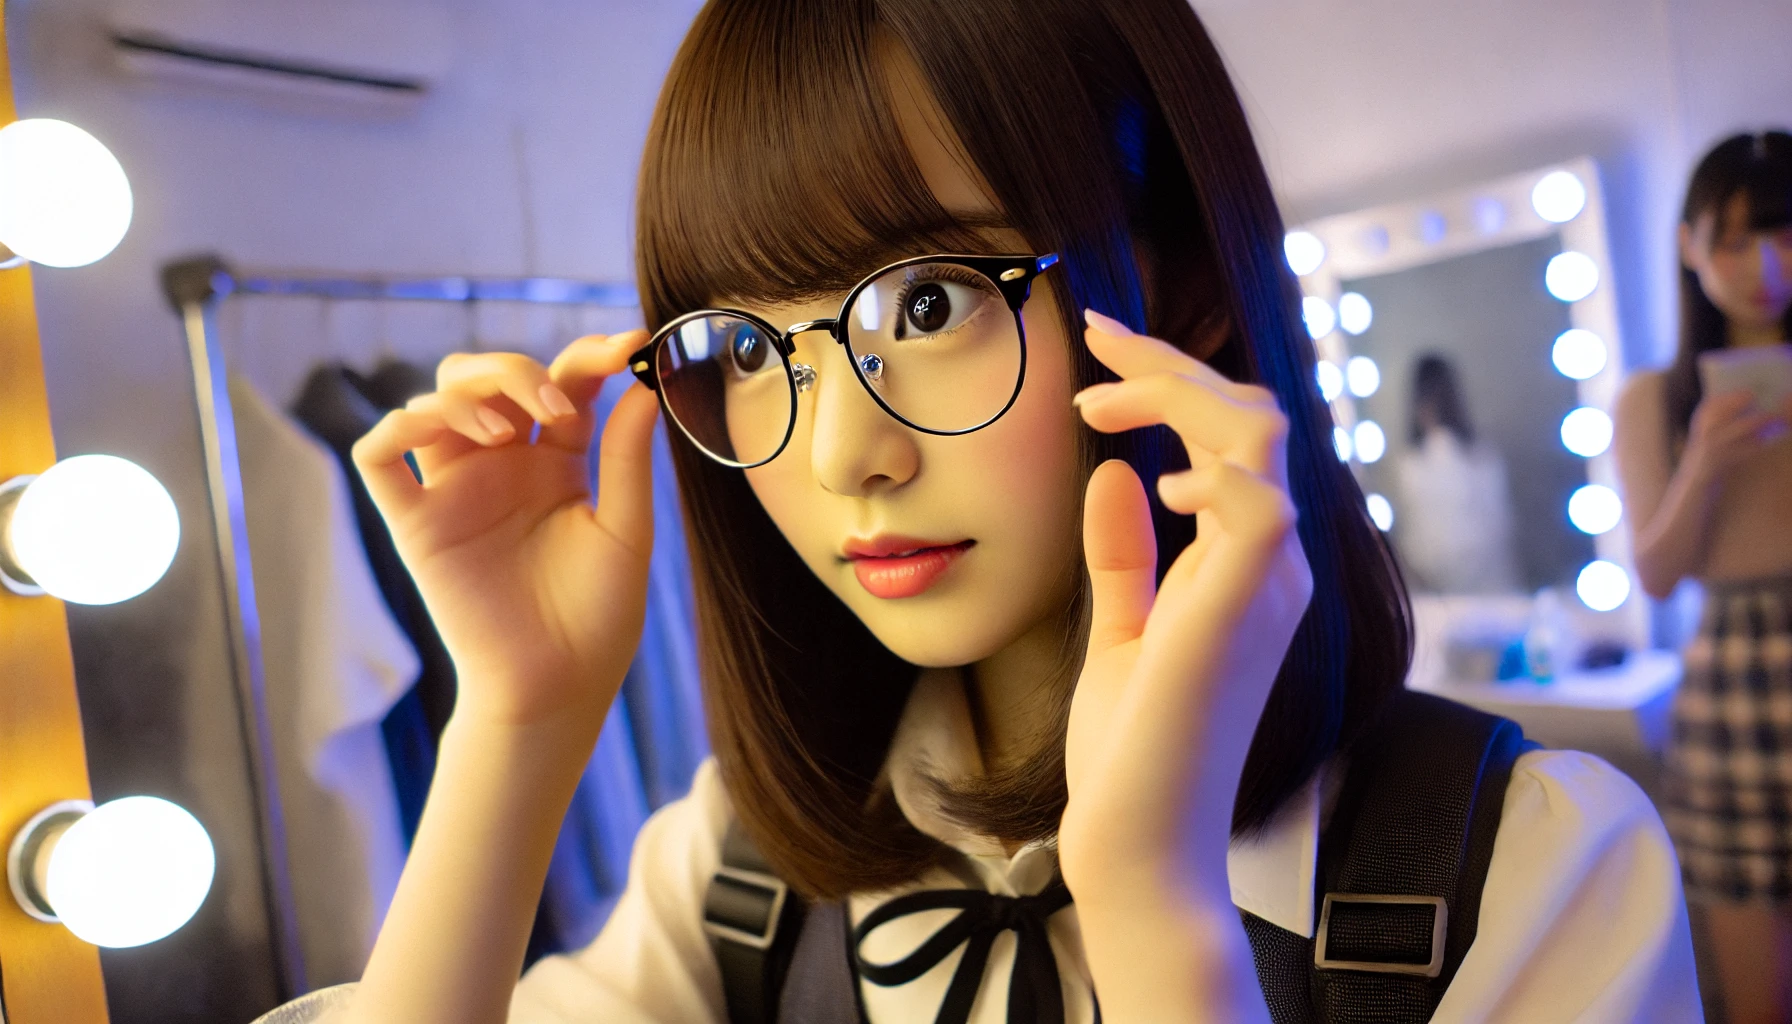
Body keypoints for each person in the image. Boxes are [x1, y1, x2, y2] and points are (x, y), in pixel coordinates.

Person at [265, 2, 1697, 1021]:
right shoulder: (738, 874)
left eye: (932, 303)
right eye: (747, 347)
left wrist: (1153, 901)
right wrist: (513, 723)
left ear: (1183, 289)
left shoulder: (1534, 863)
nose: (842, 455)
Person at [1616, 130, 1792, 1024]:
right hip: (1730, 685)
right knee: (1759, 999)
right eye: (1731, 239)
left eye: (1785, 231)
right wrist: (1703, 465)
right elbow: (1654, 575)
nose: (1765, 263)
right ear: (1688, 247)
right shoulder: (1655, 399)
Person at [1392, 353, 1522, 594]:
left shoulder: (1481, 458)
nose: (1430, 408)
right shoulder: (1411, 466)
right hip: (1436, 594)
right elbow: (1414, 539)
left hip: (1491, 591)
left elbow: (1498, 528)